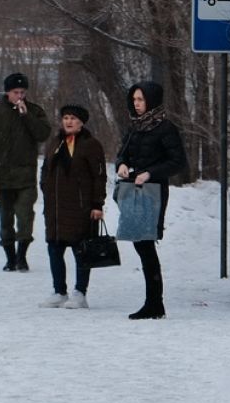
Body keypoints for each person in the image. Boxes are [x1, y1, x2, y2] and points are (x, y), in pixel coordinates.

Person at [114, 80, 188, 320]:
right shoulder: (135, 126)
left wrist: (150, 173)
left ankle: (155, 303)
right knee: (140, 243)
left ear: (152, 101)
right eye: (134, 99)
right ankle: (154, 303)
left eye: (141, 99)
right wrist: (122, 165)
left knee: (145, 244)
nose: (136, 104)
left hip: (153, 191)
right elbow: (122, 153)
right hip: (133, 189)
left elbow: (178, 162)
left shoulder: (165, 128)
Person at [0, 72, 51, 271]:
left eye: (22, 92)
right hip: (2, 176)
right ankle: (10, 257)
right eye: (15, 92)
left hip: (26, 176)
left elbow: (43, 134)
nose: (19, 96)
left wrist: (26, 116)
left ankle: (22, 256)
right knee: (6, 219)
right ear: (7, 92)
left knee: (25, 216)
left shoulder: (34, 111)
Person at [39, 104, 105, 309]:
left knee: (81, 249)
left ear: (81, 122)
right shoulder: (54, 142)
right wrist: (46, 190)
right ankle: (59, 291)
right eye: (65, 117)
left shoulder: (91, 144)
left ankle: (80, 292)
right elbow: (45, 169)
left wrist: (97, 204)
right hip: (55, 208)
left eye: (73, 119)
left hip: (81, 207)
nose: (68, 122)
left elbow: (99, 177)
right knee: (54, 248)